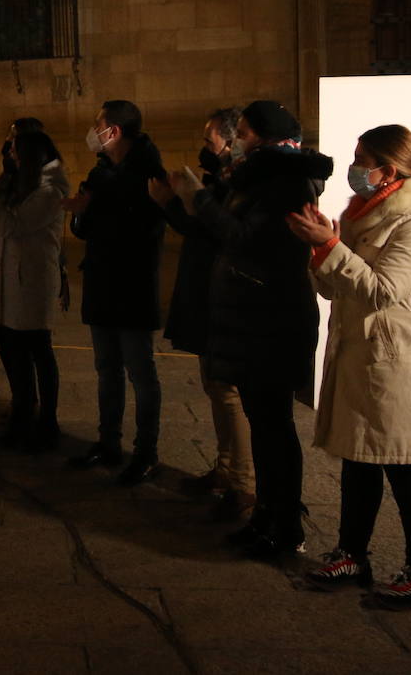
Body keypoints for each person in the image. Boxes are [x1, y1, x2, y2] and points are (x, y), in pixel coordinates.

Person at [288, 125, 411, 609]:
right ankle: (352, 554)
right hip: (364, 354)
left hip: (401, 359)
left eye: (363, 158)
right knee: (359, 459)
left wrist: (330, 247)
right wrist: (323, 248)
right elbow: (336, 288)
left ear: (390, 168)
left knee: (408, 467)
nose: (356, 167)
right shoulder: (362, 214)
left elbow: (383, 290)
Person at [171, 100, 332, 558]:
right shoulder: (262, 175)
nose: (236, 137)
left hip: (271, 319)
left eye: (241, 130)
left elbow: (247, 238)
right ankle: (267, 515)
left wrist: (198, 200)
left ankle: (285, 526)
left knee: (274, 427)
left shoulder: (283, 181)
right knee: (264, 425)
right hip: (253, 316)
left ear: (261, 135)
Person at [150, 106, 256, 521]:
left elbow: (212, 227)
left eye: (210, 138)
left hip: (223, 292)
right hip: (206, 288)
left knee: (228, 390)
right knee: (214, 385)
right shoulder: (224, 177)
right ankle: (226, 470)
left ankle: (244, 484)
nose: (204, 145)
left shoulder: (240, 183)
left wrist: (178, 201)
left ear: (231, 141)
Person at [64, 100, 167, 486]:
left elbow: (148, 229)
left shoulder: (148, 173)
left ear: (116, 131)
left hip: (133, 283)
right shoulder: (100, 170)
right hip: (102, 282)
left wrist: (101, 211)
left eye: (98, 125)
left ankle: (146, 453)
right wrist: (81, 212)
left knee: (140, 372)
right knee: (106, 369)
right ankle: (108, 443)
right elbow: (83, 229)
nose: (94, 131)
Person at [0, 130, 68, 450]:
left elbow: (14, 226)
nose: (9, 154)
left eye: (14, 149)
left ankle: (47, 422)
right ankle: (22, 413)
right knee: (12, 351)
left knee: (38, 350)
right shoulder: (15, 182)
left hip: (31, 283)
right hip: (7, 282)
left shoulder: (50, 188)